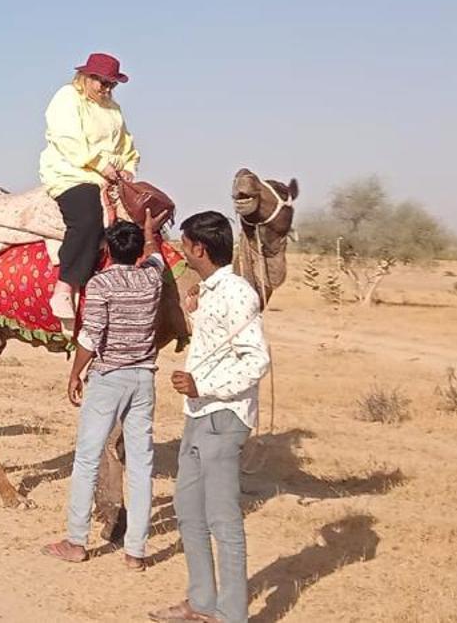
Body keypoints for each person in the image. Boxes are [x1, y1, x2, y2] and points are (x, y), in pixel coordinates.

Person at [149, 211, 271, 623]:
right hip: (199, 415)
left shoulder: (237, 293)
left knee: (222, 519)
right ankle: (201, 602)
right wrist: (193, 311)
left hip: (222, 415)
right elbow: (220, 344)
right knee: (188, 511)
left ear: (199, 248)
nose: (183, 252)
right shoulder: (210, 291)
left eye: (184, 245)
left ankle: (231, 613)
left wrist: (205, 388)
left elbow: (256, 360)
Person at [46, 220, 164, 570]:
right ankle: (135, 552)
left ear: (107, 251)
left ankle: (76, 541)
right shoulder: (152, 278)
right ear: (137, 251)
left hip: (109, 378)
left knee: (87, 457)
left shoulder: (101, 284)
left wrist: (75, 372)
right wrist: (149, 231)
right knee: (142, 466)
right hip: (144, 379)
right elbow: (156, 254)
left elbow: (90, 336)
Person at [39, 52, 139, 322]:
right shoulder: (66, 98)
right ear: (86, 77)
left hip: (108, 176)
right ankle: (65, 286)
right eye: (102, 82)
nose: (106, 88)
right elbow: (67, 139)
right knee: (87, 218)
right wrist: (99, 164)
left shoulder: (113, 109)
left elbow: (126, 145)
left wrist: (129, 167)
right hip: (72, 172)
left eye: (111, 84)